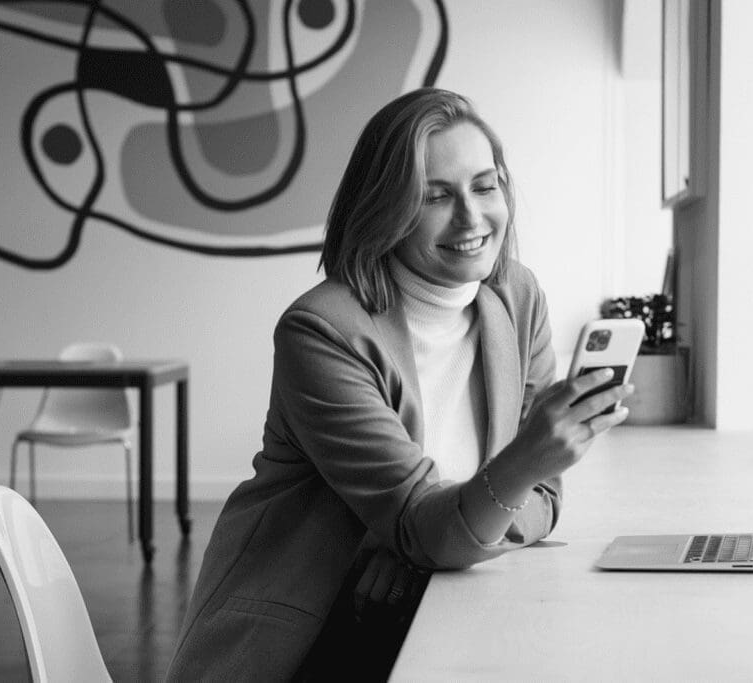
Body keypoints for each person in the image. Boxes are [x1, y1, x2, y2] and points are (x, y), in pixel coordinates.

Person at [165, 88, 633, 681]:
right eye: (435, 196)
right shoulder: (323, 330)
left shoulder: (517, 298)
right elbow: (482, 503)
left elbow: (542, 499)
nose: (471, 218)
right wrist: (443, 530)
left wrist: (428, 550)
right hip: (311, 638)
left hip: (426, 603)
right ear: (385, 208)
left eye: (485, 186)